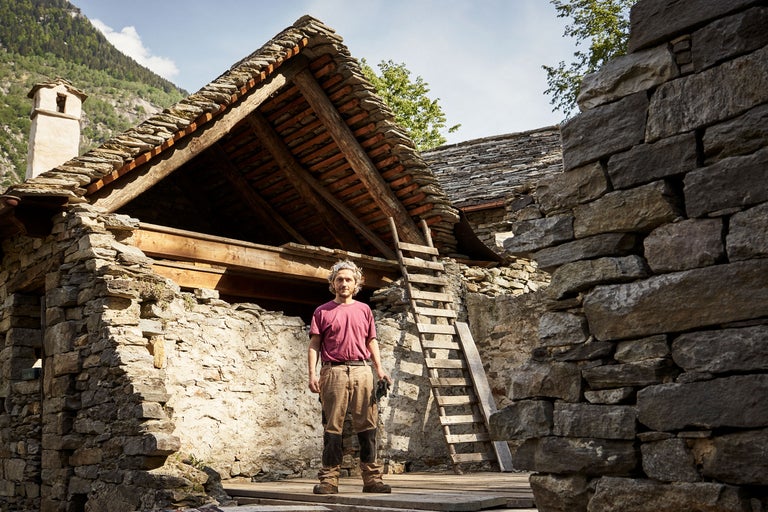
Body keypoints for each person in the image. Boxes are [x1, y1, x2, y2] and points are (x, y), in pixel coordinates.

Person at [308, 259, 393, 495]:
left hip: (362, 370)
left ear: (356, 284)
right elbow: (314, 344)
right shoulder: (322, 311)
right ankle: (329, 481)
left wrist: (380, 369)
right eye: (339, 279)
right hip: (333, 371)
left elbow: (371, 341)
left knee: (368, 425)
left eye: (348, 279)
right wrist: (312, 373)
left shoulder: (364, 310)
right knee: (332, 426)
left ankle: (372, 479)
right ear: (333, 283)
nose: (344, 283)